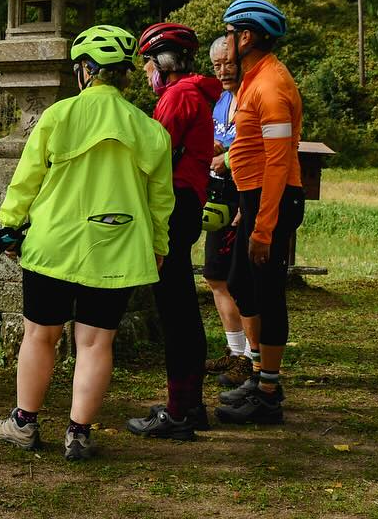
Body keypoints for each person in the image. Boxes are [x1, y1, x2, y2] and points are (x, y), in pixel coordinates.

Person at [0, 25, 174, 462]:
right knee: (96, 342)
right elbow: (160, 201)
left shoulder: (58, 116)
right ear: (125, 74)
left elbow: (26, 180)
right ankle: (79, 434)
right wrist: (159, 246)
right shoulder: (150, 130)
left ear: (85, 71)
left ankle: (24, 424)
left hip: (54, 245)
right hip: (118, 245)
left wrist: (10, 225)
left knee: (39, 335)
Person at [125, 23, 223, 441]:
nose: (146, 71)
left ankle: (179, 411)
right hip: (187, 202)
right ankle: (190, 404)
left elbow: (154, 151)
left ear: (164, 63)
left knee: (176, 310)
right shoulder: (192, 93)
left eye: (148, 62)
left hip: (175, 204)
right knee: (181, 306)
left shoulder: (178, 96)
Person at [214, 0, 304, 425]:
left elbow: (279, 161)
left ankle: (268, 393)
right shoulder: (254, 78)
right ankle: (258, 373)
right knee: (238, 283)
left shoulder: (270, 86)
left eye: (229, 34)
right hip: (253, 196)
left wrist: (264, 229)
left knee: (267, 296)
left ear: (244, 37)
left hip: (275, 197)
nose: (226, 43)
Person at [202, 34, 253, 388]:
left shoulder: (254, 97)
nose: (222, 71)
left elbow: (263, 144)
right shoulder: (220, 101)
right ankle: (235, 353)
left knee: (244, 283)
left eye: (228, 63)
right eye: (216, 65)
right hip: (219, 199)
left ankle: (253, 358)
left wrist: (229, 158)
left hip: (248, 196)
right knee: (215, 276)